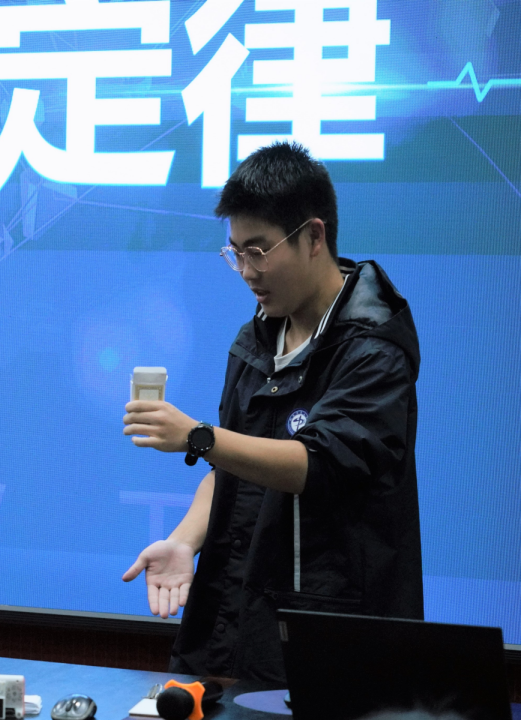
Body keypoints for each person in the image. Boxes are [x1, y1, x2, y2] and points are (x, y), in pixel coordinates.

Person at [121, 142, 423, 680]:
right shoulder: (256, 339)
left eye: (258, 251)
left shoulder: (374, 347)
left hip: (329, 630)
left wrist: (198, 436)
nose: (245, 270)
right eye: (235, 252)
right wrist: (184, 541)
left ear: (314, 237)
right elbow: (231, 469)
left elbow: (318, 463)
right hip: (234, 617)